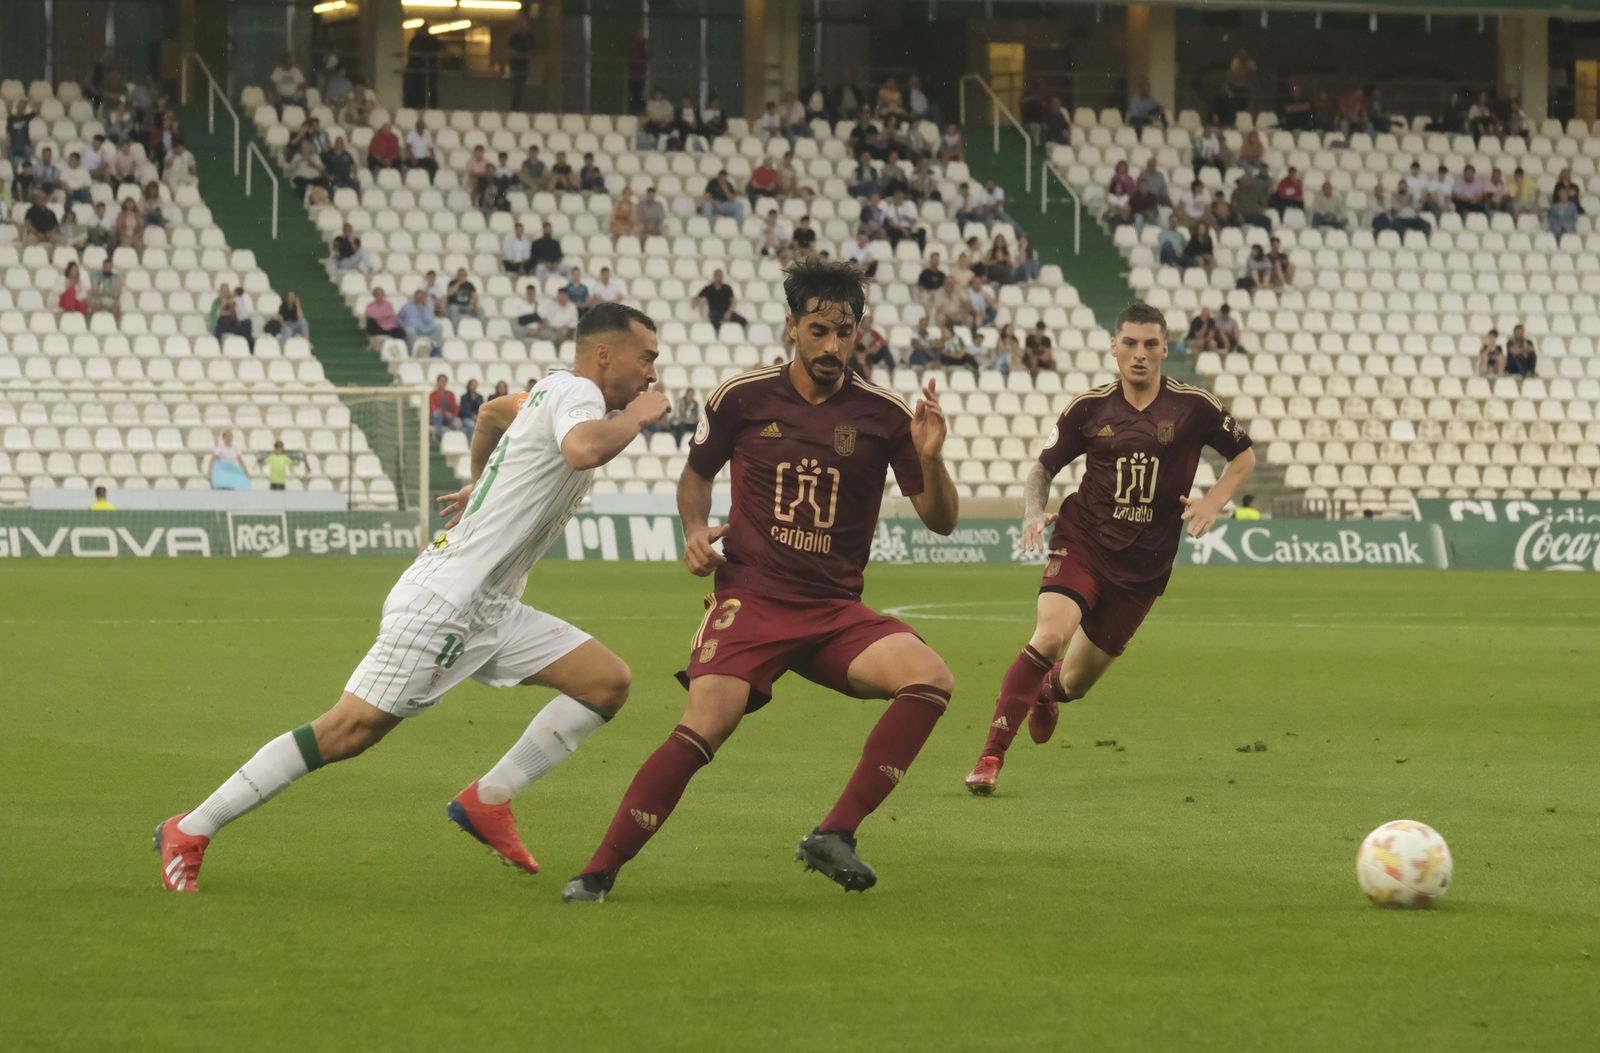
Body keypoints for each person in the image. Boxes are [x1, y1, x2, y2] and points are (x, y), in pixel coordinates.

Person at [156, 305, 672, 894]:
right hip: (446, 601)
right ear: (604, 355)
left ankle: (488, 799)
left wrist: (483, 482)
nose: (652, 373)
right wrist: (636, 416)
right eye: (647, 357)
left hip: (494, 606)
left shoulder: (556, 393)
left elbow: (492, 413)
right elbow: (583, 450)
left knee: (605, 681)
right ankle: (190, 828)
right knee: (350, 729)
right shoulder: (579, 393)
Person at [562, 260, 958, 902]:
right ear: (792, 329)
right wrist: (694, 530)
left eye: (845, 332)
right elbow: (696, 476)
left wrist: (933, 461)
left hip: (834, 610)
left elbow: (941, 520)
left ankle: (836, 833)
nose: (832, 346)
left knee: (930, 677)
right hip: (753, 598)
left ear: (859, 333)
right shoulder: (741, 398)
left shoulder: (885, 416)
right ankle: (599, 870)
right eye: (819, 330)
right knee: (705, 723)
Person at [964, 303, 1255, 795]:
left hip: (1143, 569)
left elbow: (1243, 455)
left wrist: (1214, 500)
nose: (1139, 354)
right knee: (1050, 636)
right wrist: (1034, 512)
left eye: (1149, 344)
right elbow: (1042, 470)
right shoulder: (1088, 409)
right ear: (1114, 347)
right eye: (1129, 343)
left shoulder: (1194, 407)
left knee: (1073, 683)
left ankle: (1046, 694)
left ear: (1164, 348)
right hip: (1083, 543)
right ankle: (991, 756)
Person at [210, 285, 255, 352]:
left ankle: (251, 351)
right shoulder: (217, 302)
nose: (226, 292)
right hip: (222, 325)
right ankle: (217, 350)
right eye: (224, 291)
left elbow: (238, 314)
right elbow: (218, 315)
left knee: (246, 325)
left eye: (227, 290)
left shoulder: (234, 299)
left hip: (234, 324)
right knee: (219, 329)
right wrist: (224, 306)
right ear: (220, 292)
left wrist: (231, 305)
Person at [399, 288, 444, 355]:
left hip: (425, 328)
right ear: (414, 297)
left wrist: (424, 310)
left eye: (421, 297)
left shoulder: (428, 306)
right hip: (413, 329)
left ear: (424, 298)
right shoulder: (407, 306)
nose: (419, 299)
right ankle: (413, 351)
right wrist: (403, 325)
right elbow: (399, 318)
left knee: (438, 327)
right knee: (408, 330)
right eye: (418, 297)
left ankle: (435, 349)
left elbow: (429, 320)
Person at [507, 16, 537, 111]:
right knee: (516, 87)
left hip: (525, 66)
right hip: (515, 65)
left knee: (523, 87)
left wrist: (525, 55)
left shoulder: (530, 38)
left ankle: (524, 107)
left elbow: (533, 50)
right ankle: (515, 107)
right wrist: (518, 55)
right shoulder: (514, 37)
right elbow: (510, 50)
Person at [404, 116, 438, 182]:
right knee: (409, 165)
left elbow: (430, 147)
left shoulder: (427, 134)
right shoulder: (411, 133)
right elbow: (407, 147)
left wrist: (432, 156)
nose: (420, 127)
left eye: (422, 126)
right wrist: (412, 157)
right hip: (414, 158)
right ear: (416, 126)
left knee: (434, 165)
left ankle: (431, 182)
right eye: (418, 126)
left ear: (424, 127)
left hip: (424, 158)